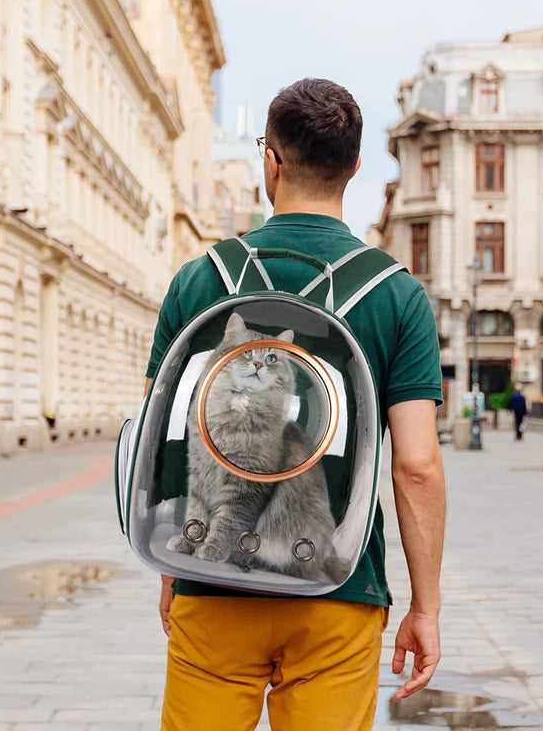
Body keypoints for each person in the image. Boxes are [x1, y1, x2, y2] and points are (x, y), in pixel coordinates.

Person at [143, 79, 446, 731]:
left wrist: (170, 560)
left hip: (215, 581)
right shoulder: (398, 296)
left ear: (271, 161)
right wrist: (425, 606)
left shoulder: (200, 280)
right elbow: (417, 465)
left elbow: (162, 442)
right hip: (337, 586)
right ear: (356, 167)